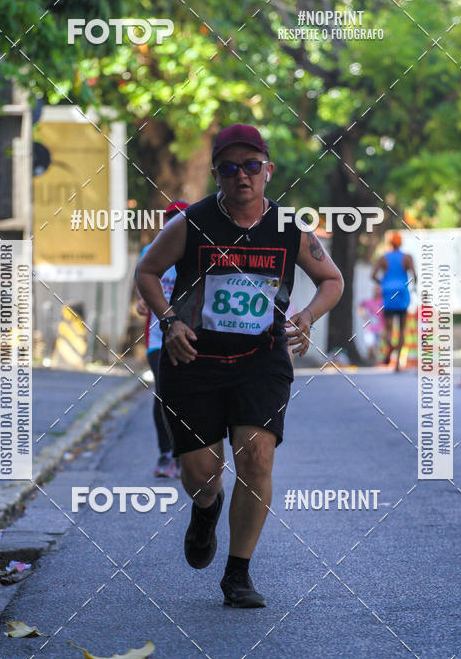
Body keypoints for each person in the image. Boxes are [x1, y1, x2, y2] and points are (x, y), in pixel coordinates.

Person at [136, 124, 343, 608]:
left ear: (268, 170)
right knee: (202, 473)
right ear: (216, 175)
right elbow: (146, 272)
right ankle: (206, 509)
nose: (242, 177)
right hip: (193, 359)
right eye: (229, 168)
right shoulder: (192, 223)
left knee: (257, 457)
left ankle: (238, 574)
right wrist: (169, 323)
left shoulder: (290, 229)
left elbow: (330, 279)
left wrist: (306, 316)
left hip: (261, 359)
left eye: (252, 166)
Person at [135, 201, 188, 478]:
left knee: (186, 395)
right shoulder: (150, 253)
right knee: (164, 392)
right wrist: (141, 305)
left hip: (190, 336)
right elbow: (141, 295)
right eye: (170, 218)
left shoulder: (195, 253)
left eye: (179, 218)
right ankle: (166, 454)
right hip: (157, 337)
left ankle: (184, 455)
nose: (173, 223)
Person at [371, 232, 416, 371]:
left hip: (388, 294)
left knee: (387, 328)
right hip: (402, 294)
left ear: (389, 243)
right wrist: (413, 287)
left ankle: (390, 345)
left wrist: (383, 283)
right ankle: (397, 364)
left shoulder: (383, 258)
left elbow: (373, 275)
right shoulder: (407, 258)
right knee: (402, 329)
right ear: (400, 243)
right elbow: (415, 275)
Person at [358, 284, 384, 365]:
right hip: (369, 328)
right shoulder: (369, 301)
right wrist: (363, 315)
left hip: (380, 328)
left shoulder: (383, 302)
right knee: (370, 346)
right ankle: (376, 363)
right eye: (376, 290)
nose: (377, 292)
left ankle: (372, 362)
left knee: (378, 347)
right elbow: (360, 306)